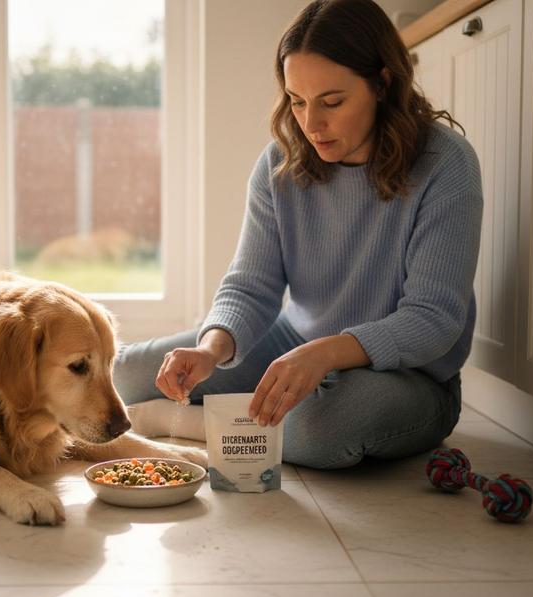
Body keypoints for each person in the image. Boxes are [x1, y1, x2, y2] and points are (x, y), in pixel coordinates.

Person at [113, 0, 483, 470]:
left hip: (407, 375)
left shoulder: (446, 164)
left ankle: (180, 423)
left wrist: (325, 354)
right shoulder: (279, 163)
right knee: (128, 375)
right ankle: (226, 416)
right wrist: (211, 350)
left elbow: (433, 320)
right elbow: (252, 286)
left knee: (318, 427)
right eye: (297, 100)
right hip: (295, 340)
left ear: (382, 84)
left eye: (332, 102)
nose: (311, 124)